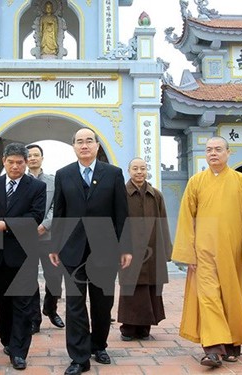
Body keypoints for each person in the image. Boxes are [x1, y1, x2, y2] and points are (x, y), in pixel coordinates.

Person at [171, 136, 242, 368]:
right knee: (208, 298)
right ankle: (214, 348)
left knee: (233, 297)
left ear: (228, 152)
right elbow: (186, 218)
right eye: (209, 150)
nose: (213, 153)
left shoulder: (241, 181)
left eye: (218, 149)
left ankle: (233, 342)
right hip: (203, 252)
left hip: (233, 251)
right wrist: (188, 254)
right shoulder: (196, 182)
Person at [49, 127, 132, 375]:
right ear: (73, 146)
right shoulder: (63, 175)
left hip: (105, 248)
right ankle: (79, 358)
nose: (84, 146)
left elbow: (121, 214)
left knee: (102, 302)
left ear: (97, 145)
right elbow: (60, 213)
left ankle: (99, 345)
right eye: (79, 142)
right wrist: (55, 245)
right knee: (75, 304)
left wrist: (125, 247)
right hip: (72, 249)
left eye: (89, 141)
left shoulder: (113, 174)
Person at [0, 143, 46, 371]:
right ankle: (7, 340)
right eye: (11, 162)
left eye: (20, 162)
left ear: (26, 162)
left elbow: (35, 218)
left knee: (22, 305)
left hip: (23, 256)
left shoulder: (36, 187)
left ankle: (20, 352)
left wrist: (6, 225)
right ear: (3, 162)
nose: (15, 167)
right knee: (3, 305)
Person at [117, 157, 172, 341]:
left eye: (142, 168)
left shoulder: (155, 194)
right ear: (129, 171)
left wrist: (167, 250)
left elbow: (163, 223)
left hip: (153, 247)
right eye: (135, 168)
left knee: (150, 287)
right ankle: (128, 328)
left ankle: (145, 328)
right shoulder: (121, 194)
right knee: (131, 288)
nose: (139, 172)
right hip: (129, 250)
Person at [27, 144, 65, 334]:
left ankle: (51, 308)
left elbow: (56, 206)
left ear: (42, 158)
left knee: (55, 277)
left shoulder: (52, 181)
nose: (33, 158)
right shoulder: (21, 181)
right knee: (30, 279)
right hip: (27, 239)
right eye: (30, 155)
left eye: (36, 155)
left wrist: (45, 225)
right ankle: (35, 318)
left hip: (49, 237)